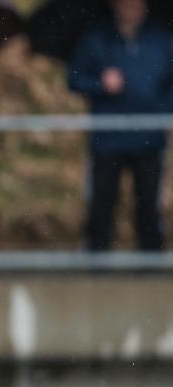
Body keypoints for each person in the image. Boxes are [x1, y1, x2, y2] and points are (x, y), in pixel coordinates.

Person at [68, 0, 173, 251]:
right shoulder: (96, 39)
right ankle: (97, 259)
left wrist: (163, 112)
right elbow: (74, 78)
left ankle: (150, 259)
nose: (132, 7)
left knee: (148, 202)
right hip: (107, 137)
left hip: (149, 136)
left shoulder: (162, 40)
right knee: (102, 201)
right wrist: (100, 83)